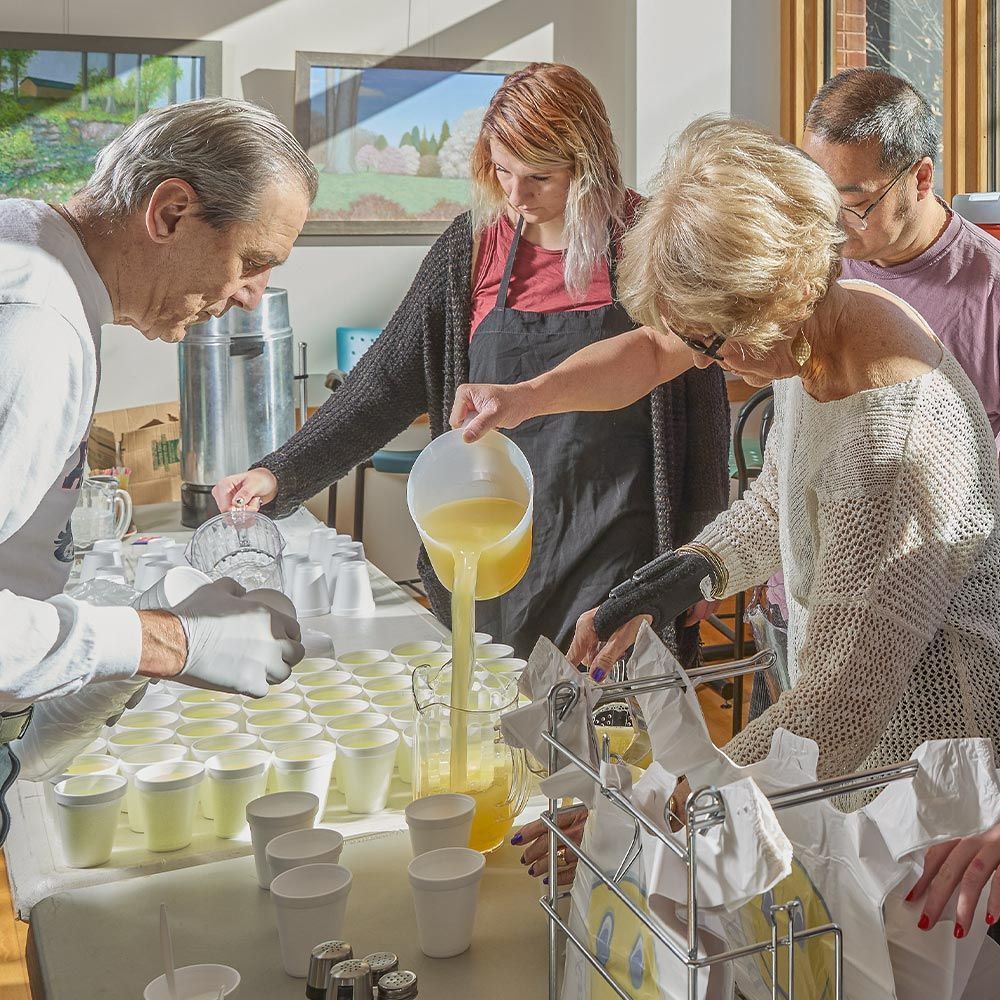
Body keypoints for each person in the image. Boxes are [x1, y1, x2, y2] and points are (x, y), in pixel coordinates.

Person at [515, 118, 1000, 914]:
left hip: (925, 795)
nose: (706, 363)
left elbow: (835, 710)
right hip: (849, 772)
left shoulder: (894, 444)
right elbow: (783, 495)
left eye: (712, 342)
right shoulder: (821, 335)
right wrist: (680, 576)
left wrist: (642, 814)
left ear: (781, 296)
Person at [213, 63, 730, 663]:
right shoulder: (472, 248)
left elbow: (703, 404)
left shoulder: (650, 240)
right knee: (499, 723)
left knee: (610, 737)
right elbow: (382, 383)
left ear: (589, 165)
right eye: (503, 171)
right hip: (499, 545)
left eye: (540, 176)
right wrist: (280, 475)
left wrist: (698, 556)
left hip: (622, 533)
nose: (516, 195)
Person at [0, 97, 316, 835]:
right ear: (170, 211)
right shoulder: (35, 331)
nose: (249, 297)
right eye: (252, 261)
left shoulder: (32, 251)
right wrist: (161, 640)